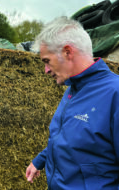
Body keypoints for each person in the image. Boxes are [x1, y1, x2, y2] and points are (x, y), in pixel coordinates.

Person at [25, 16, 119, 189]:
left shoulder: (115, 93)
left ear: (68, 52)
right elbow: (67, 139)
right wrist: (40, 160)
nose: (45, 71)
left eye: (47, 61)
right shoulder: (72, 90)